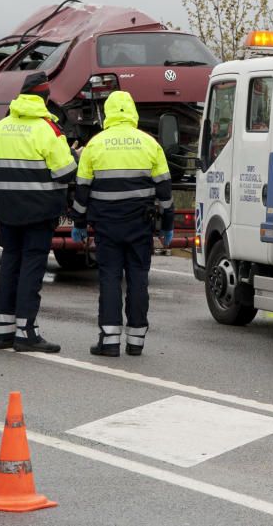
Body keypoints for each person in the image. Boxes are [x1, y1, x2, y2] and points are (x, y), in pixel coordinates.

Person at [70, 90, 174, 357]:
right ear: (132, 112)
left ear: (107, 112)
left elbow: (81, 191)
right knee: (139, 279)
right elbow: (165, 192)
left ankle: (110, 340)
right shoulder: (150, 144)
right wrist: (167, 225)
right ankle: (137, 340)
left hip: (106, 226)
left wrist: (79, 222)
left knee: (109, 279)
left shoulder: (95, 144)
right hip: (140, 225)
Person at [0, 72, 76, 353]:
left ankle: (4, 331)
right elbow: (65, 173)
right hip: (39, 213)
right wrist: (76, 155)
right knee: (32, 271)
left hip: (8, 210)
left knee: (10, 265)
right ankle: (26, 333)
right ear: (45, 98)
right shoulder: (49, 129)